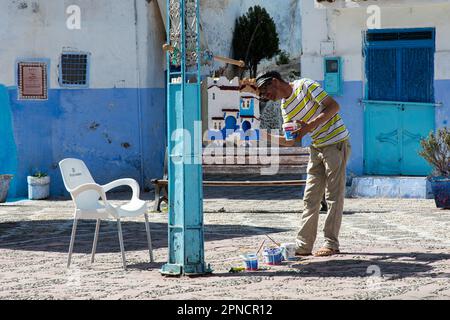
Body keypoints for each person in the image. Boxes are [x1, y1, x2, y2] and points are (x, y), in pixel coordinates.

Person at [257, 71, 351, 257]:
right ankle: (304, 245)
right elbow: (291, 140)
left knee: (333, 196)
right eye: (262, 96)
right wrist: (263, 135)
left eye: (265, 91)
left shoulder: (305, 86)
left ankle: (331, 243)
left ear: (275, 81)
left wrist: (308, 126)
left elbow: (333, 107)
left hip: (336, 144)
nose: (266, 97)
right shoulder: (285, 107)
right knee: (310, 198)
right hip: (316, 149)